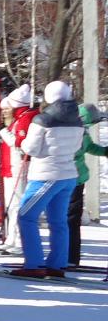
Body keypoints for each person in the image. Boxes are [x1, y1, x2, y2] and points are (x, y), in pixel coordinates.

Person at [11, 80, 84, 279]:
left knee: (26, 216)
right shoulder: (77, 120)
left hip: (45, 175)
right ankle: (57, 264)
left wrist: (23, 143)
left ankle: (34, 263)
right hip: (68, 174)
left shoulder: (42, 120)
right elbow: (77, 147)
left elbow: (31, 148)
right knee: (58, 221)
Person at [0, 84, 38, 256]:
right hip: (11, 166)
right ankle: (11, 238)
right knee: (11, 204)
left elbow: (19, 143)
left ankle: (19, 240)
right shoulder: (20, 117)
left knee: (18, 204)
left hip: (20, 165)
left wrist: (4, 133)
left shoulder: (26, 118)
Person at [69, 104, 108, 267]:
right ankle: (68, 256)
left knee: (72, 219)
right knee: (68, 219)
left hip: (78, 179)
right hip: (68, 177)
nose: (91, 126)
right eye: (92, 122)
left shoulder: (81, 131)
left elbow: (89, 147)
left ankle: (72, 257)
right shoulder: (72, 131)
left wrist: (105, 151)